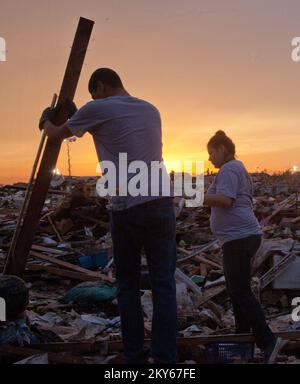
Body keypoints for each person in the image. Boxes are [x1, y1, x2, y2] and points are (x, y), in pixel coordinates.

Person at [39, 68, 177, 364]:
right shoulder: (150, 109)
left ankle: (135, 358)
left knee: (127, 284)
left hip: (129, 206)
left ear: (100, 86)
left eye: (94, 94)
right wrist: (82, 119)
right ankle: (165, 360)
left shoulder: (96, 108)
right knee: (163, 282)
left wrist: (46, 119)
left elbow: (55, 134)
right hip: (163, 202)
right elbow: (122, 135)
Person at [203, 130, 282, 364]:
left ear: (222, 149)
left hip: (239, 237)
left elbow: (226, 200)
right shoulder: (232, 169)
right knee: (237, 291)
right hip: (238, 237)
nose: (209, 158)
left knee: (240, 291)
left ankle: (268, 341)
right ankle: (241, 340)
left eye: (211, 153)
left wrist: (194, 195)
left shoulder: (229, 169)